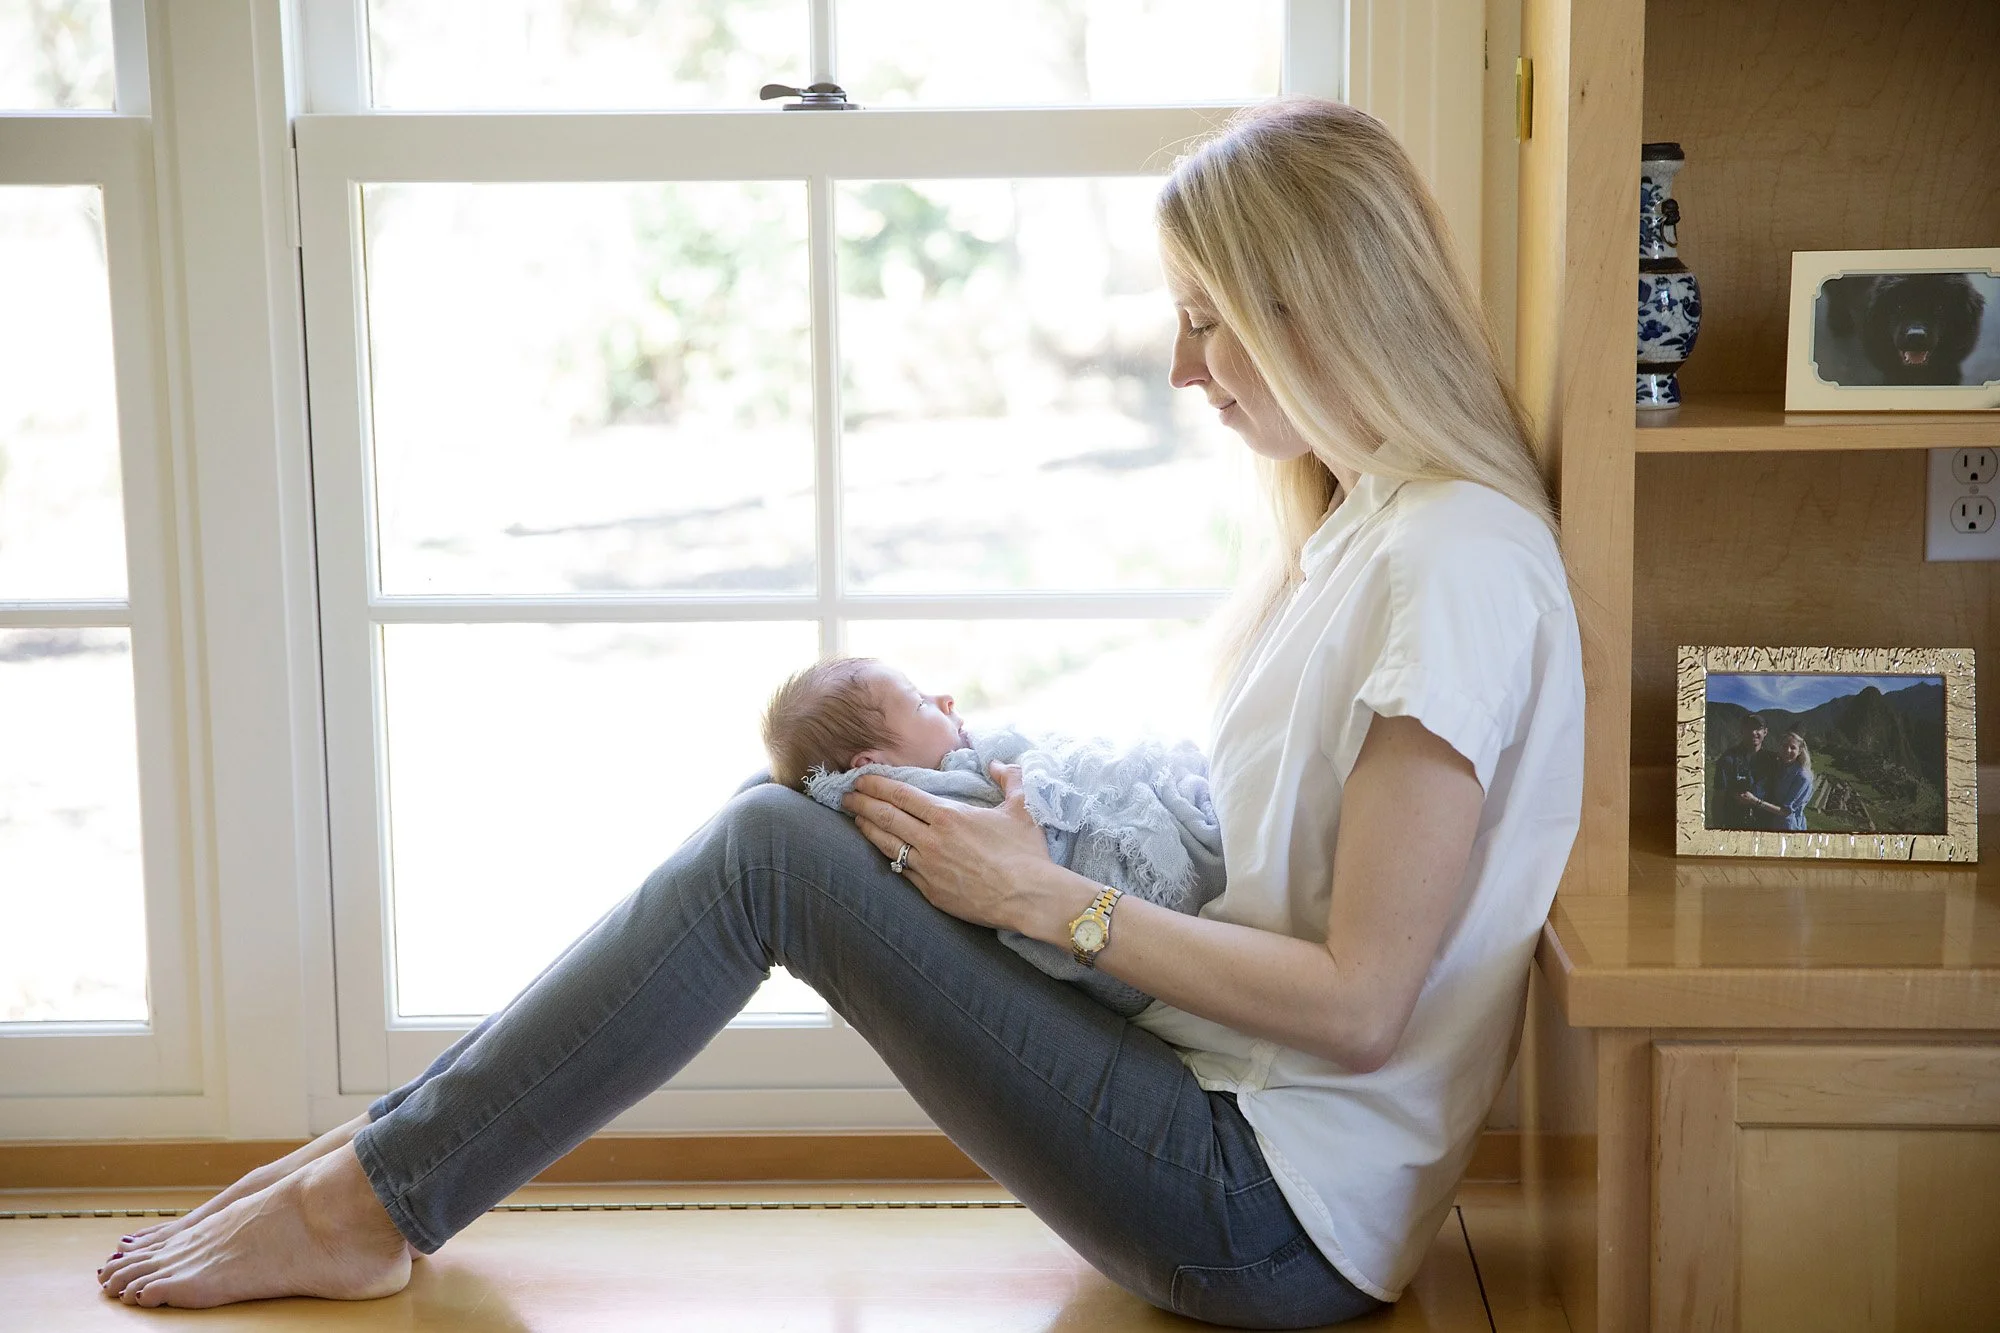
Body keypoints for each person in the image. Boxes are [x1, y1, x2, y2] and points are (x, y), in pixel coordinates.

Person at [94, 97, 1584, 1327]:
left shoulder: (1451, 560)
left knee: (771, 852)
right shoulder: (1378, 530)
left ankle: (366, 1198)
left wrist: (1049, 902)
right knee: (788, 827)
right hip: (1234, 1130)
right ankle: (371, 1167)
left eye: (1207, 321)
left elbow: (1363, 1002)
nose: (1182, 364)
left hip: (1268, 1209)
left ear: (1310, 302)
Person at [765, 654, 1228, 1017]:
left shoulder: (943, 781)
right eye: (921, 702)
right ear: (873, 766)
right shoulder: (949, 800)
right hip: (1135, 935)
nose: (945, 698)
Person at [1710, 713, 1775, 830]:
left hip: (1765, 824)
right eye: (1749, 728)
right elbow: (1718, 797)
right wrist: (1717, 828)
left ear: (1765, 732)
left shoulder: (1772, 760)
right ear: (1742, 731)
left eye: (1758, 728)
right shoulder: (1728, 759)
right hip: (1735, 823)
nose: (1753, 732)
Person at [1740, 732, 1814, 832]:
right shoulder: (1780, 766)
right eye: (1784, 746)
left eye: (1793, 747)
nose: (1788, 750)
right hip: (1772, 822)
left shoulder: (1803, 778)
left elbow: (1785, 812)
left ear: (1800, 751)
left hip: (1789, 827)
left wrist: (1754, 800)